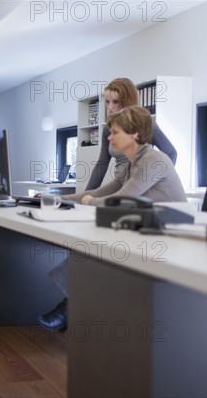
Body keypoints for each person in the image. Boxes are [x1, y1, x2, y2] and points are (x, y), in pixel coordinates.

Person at [37, 105, 187, 333]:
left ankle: (71, 309)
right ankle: (73, 308)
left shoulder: (154, 159)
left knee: (96, 247)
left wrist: (90, 203)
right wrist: (55, 199)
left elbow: (122, 198)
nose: (109, 137)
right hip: (150, 229)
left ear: (135, 134)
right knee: (91, 245)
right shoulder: (133, 163)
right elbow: (100, 193)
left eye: (115, 132)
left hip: (173, 237)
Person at [86, 78, 177, 191]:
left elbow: (171, 153)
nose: (110, 107)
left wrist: (155, 182)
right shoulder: (107, 129)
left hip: (143, 189)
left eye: (115, 102)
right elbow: (102, 164)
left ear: (127, 100)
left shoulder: (146, 123)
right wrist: (86, 193)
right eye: (107, 101)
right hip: (120, 186)